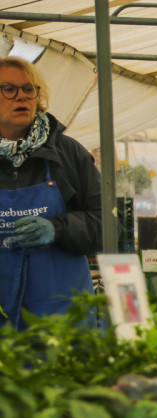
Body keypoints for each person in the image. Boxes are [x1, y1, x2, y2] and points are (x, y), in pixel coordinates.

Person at [0, 56, 100, 329]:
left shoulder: (67, 154)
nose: (21, 96)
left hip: (65, 318)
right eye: (9, 89)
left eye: (29, 89)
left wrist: (57, 230)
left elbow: (108, 226)